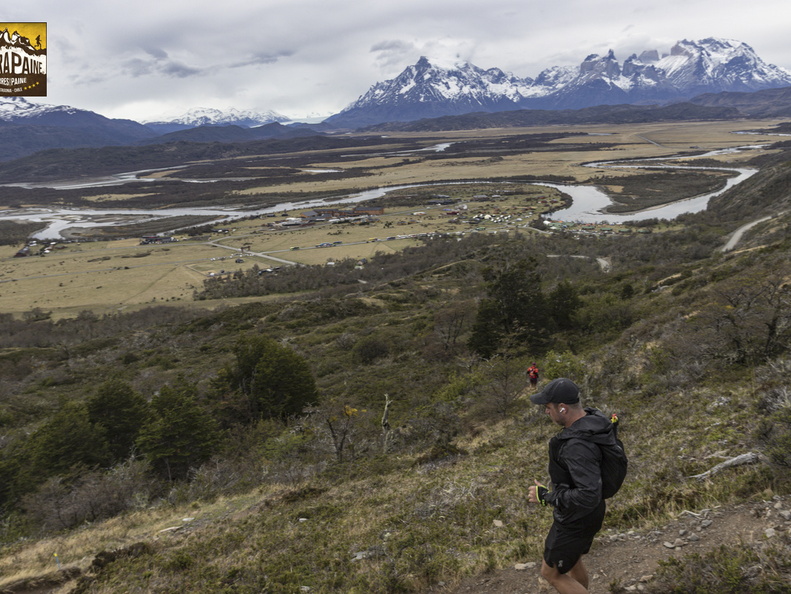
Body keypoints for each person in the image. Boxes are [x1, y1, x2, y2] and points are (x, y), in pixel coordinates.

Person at [527, 378, 617, 594]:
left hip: (576, 518)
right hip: (592, 512)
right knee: (573, 560)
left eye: (548, 407)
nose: (546, 412)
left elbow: (587, 494)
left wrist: (545, 496)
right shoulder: (595, 423)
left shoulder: (577, 444)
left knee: (551, 574)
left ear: (562, 408)